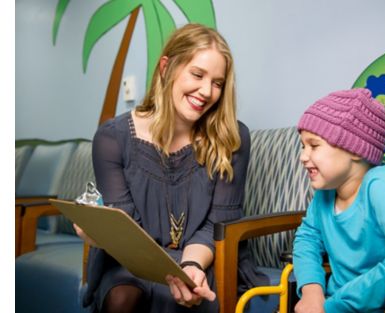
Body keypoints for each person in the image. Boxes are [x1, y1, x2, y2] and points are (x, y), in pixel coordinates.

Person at [74, 23, 267, 313]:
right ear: (166, 67)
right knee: (121, 298)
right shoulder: (112, 138)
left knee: (185, 299)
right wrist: (97, 232)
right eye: (197, 74)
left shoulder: (233, 138)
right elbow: (126, 228)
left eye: (217, 83)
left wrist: (189, 266)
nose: (206, 92)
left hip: (203, 260)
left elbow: (217, 225)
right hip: (134, 262)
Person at [292, 88, 385, 313]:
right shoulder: (326, 193)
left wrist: (332, 306)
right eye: (303, 146)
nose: (302, 156)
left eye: (314, 145)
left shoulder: (381, 185)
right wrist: (312, 292)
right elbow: (307, 238)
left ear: (355, 151)